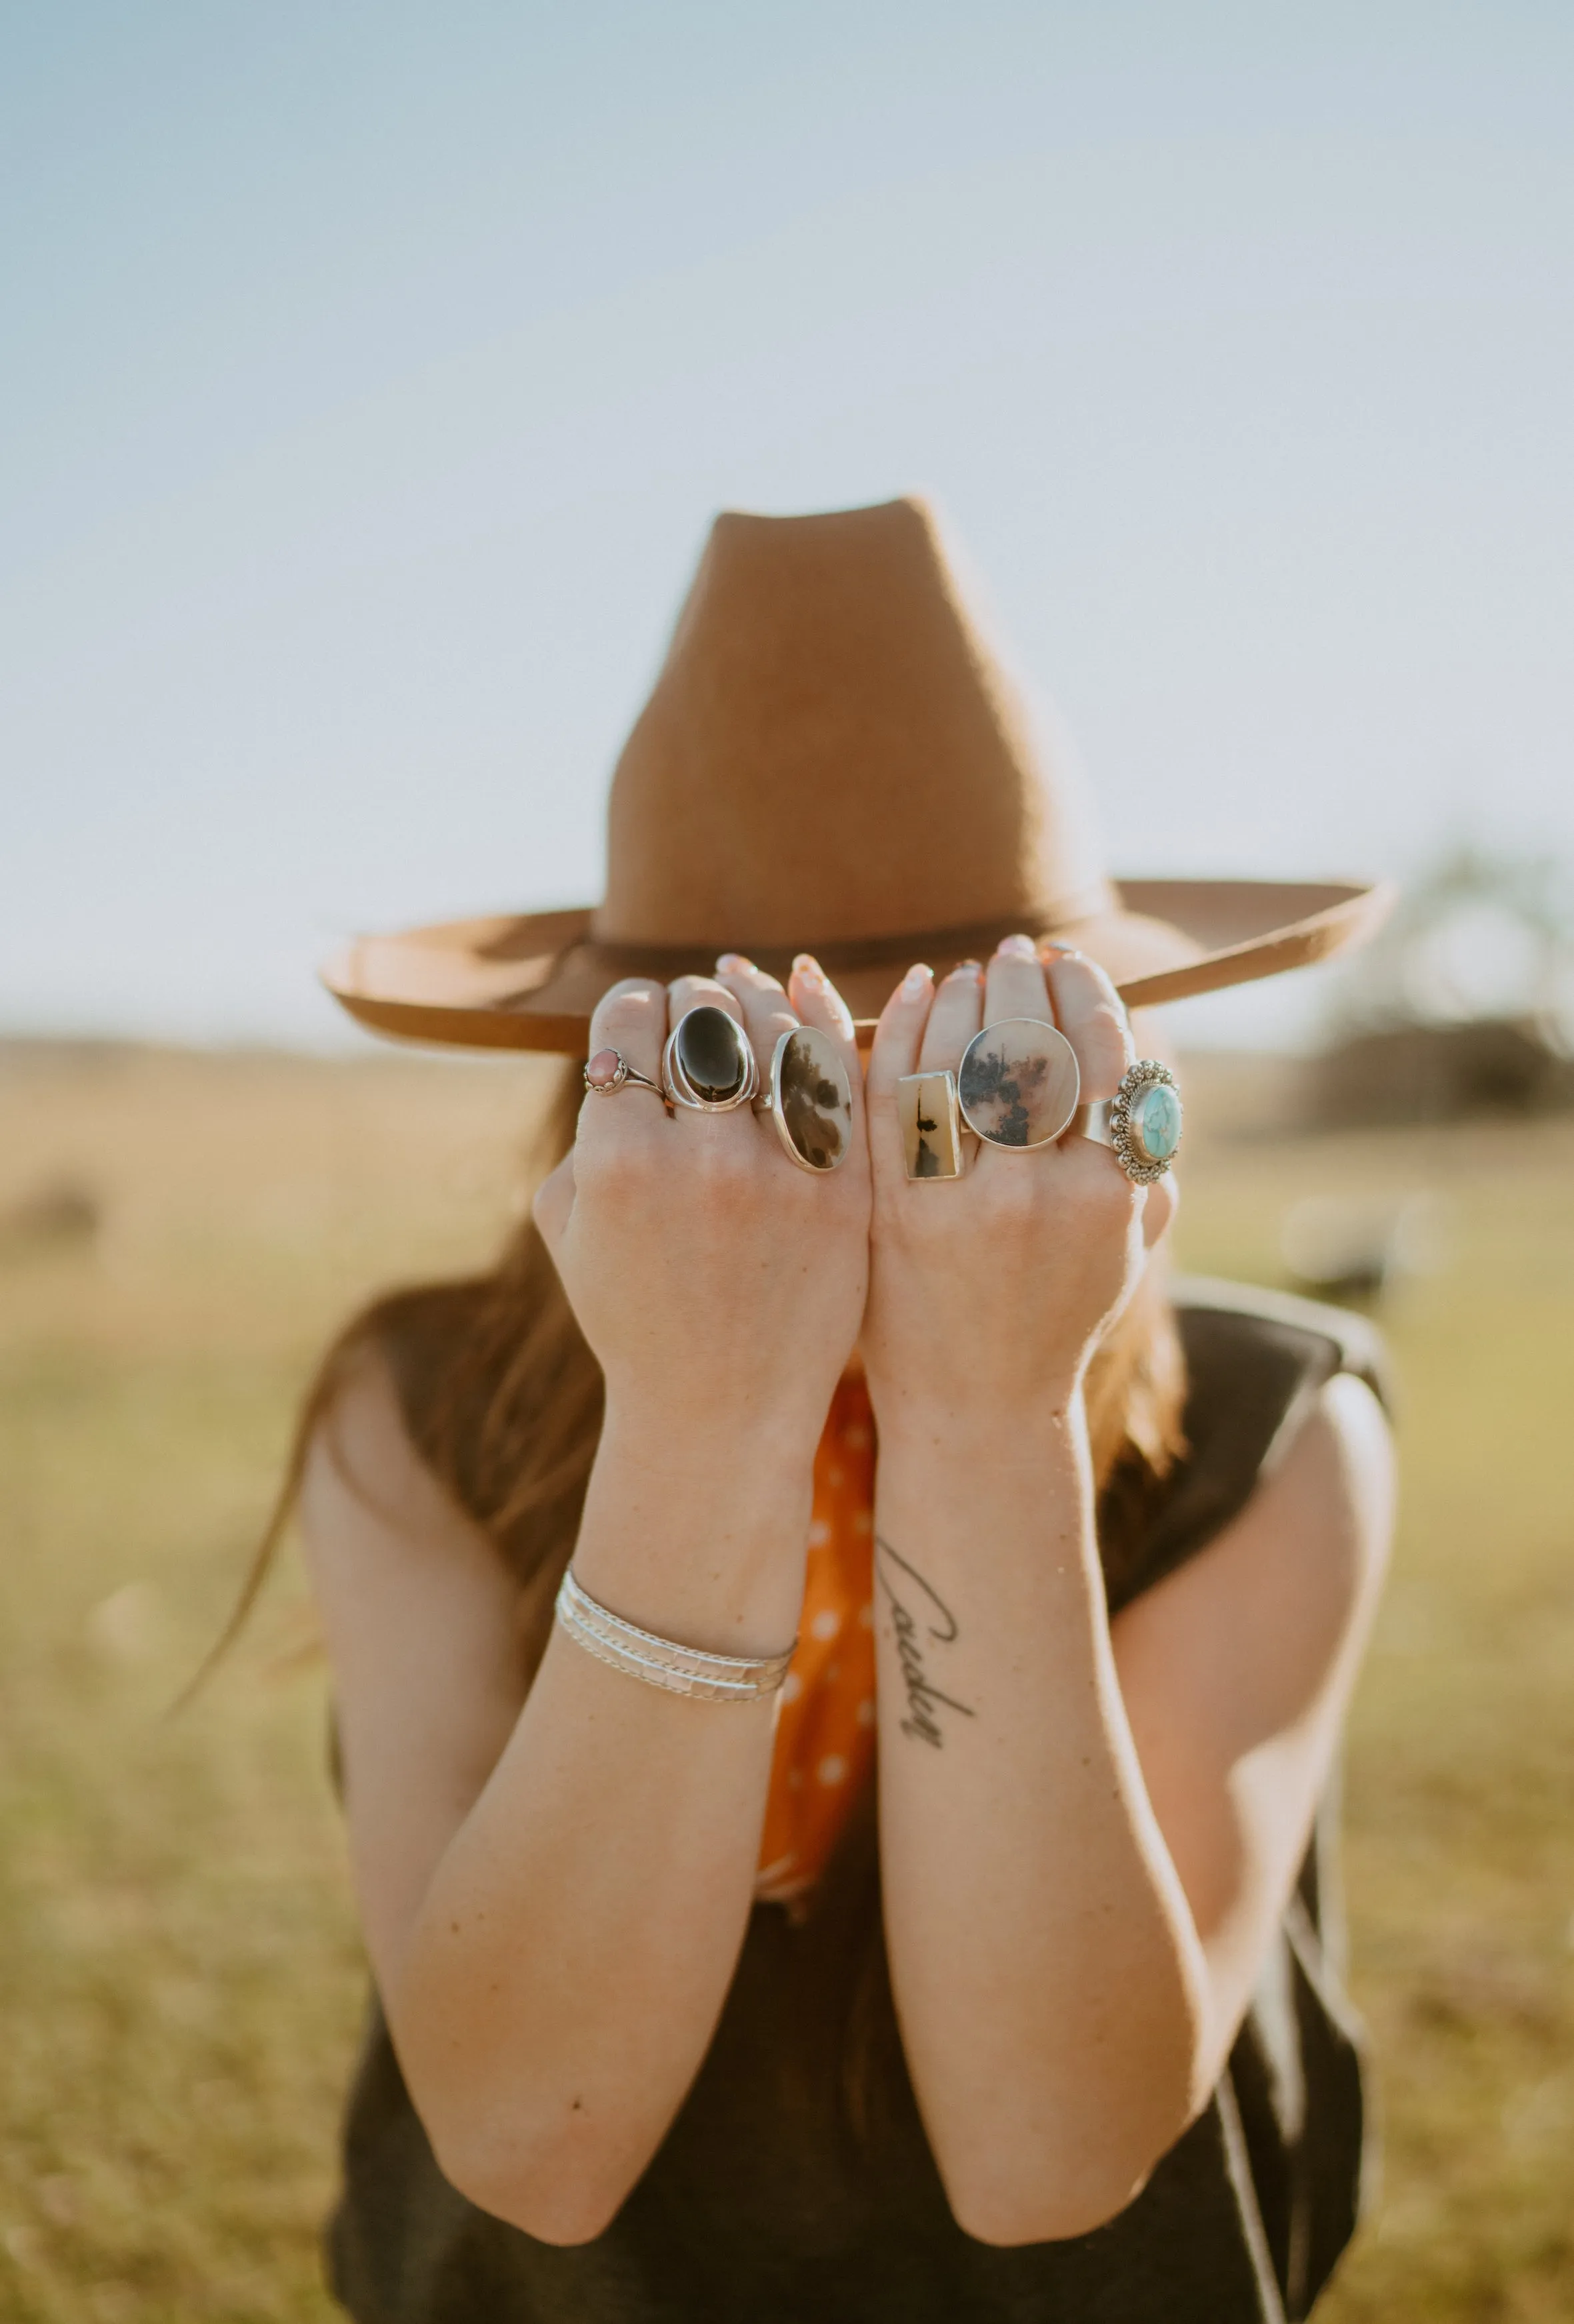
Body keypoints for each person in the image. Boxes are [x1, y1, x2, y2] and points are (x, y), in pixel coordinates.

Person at [266, 497, 1396, 2321]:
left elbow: (1054, 2154)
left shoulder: (1281, 1423)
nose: (881, 1157)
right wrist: (705, 1417)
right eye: (781, 1085)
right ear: (621, 1095)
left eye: (966, 1077)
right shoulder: (410, 1414)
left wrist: (986, 1417)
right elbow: (528, 2129)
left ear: (1099, 1065)